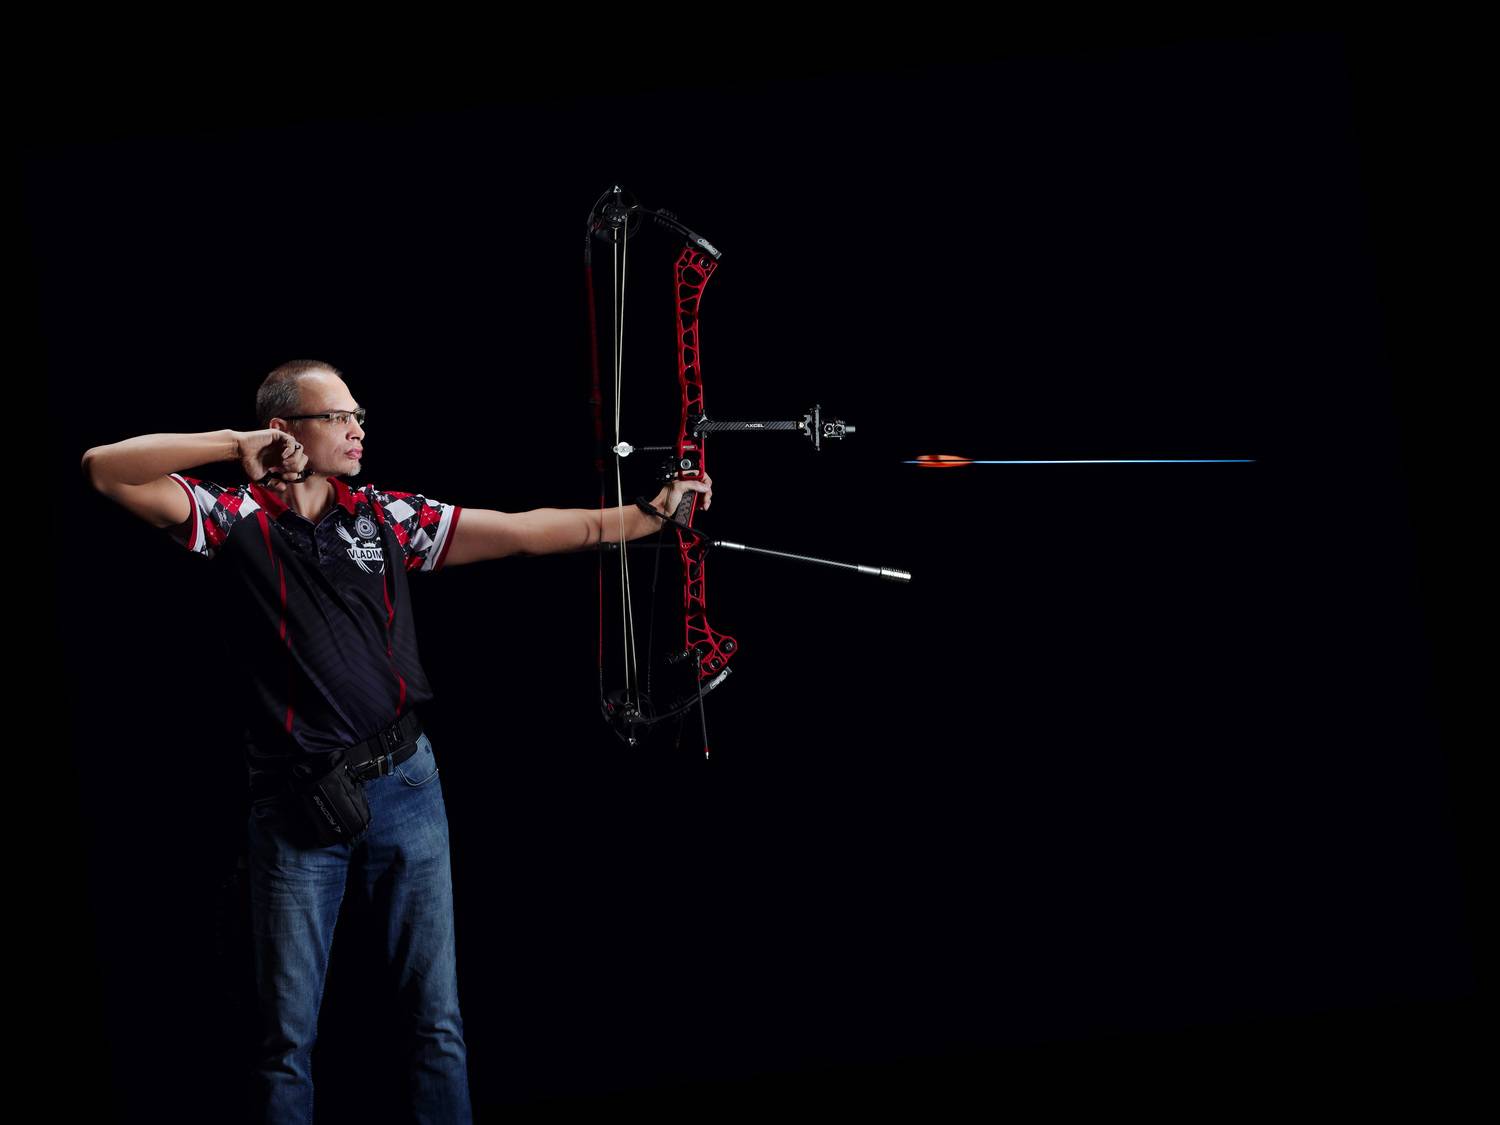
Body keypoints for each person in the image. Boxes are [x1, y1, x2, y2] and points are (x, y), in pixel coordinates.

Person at [80, 359, 711, 1124]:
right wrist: (231, 443)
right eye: (338, 416)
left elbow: (524, 532)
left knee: (435, 1022)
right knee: (285, 1042)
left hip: (407, 787)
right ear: (284, 429)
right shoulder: (232, 515)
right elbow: (103, 468)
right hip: (296, 803)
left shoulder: (386, 515)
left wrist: (649, 516)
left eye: (359, 416)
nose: (357, 429)